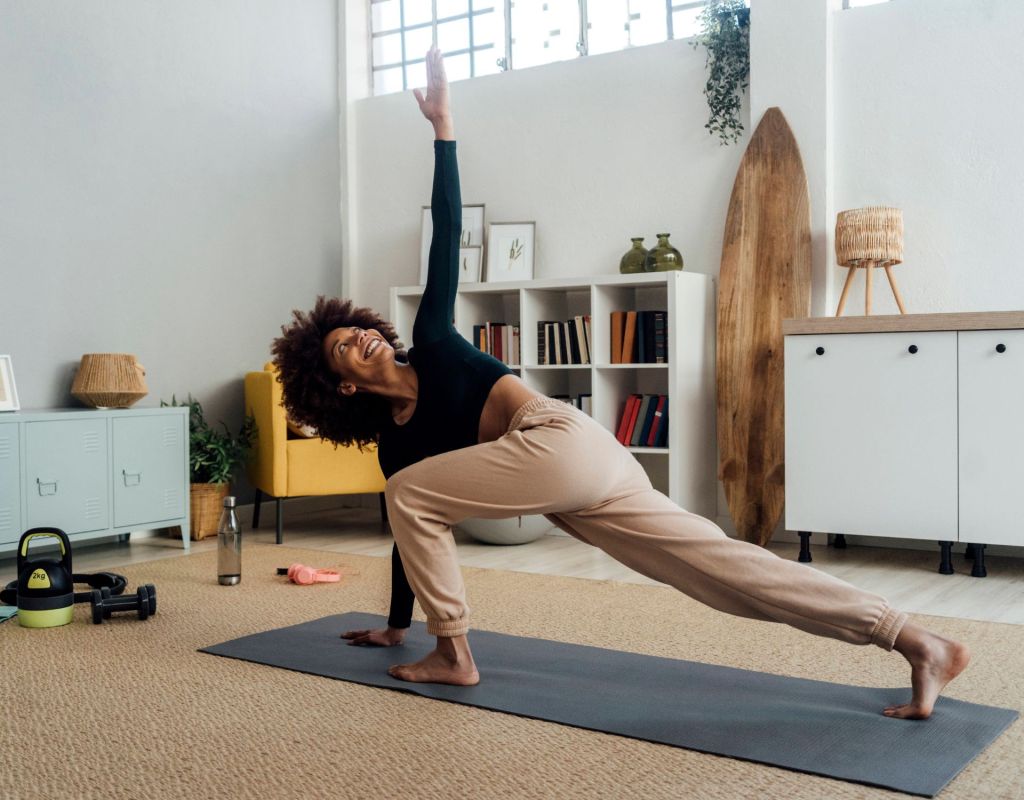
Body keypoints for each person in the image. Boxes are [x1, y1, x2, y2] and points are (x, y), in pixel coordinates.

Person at [271, 46, 969, 720]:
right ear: (343, 389)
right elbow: (408, 537)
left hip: (562, 443)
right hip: (581, 485)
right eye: (344, 349)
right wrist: (395, 625)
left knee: (410, 494)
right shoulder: (398, 451)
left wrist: (444, 132)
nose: (362, 337)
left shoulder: (429, 341)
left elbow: (446, 234)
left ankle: (455, 653)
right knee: (720, 573)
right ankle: (915, 640)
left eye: (357, 329)